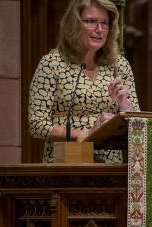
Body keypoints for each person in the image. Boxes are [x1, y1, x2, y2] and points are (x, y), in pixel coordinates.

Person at [28, 0, 139, 163]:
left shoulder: (119, 65)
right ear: (74, 24)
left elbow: (139, 125)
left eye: (105, 23)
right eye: (91, 21)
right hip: (66, 163)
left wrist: (124, 106)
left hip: (110, 167)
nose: (99, 29)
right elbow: (36, 124)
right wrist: (86, 133)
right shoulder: (52, 63)